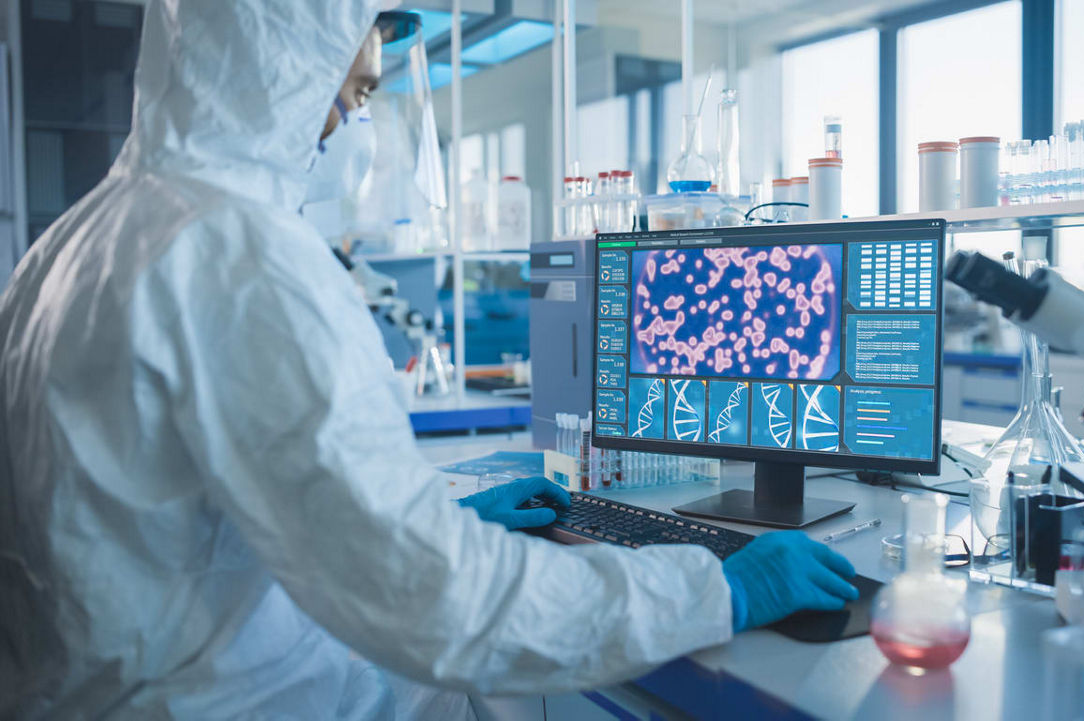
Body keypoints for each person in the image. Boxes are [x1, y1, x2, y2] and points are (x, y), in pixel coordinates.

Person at [0, 1, 860, 718]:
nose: (348, 128)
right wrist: (715, 592)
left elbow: (190, 521)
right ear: (281, 70)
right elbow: (442, 602)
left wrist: (444, 523)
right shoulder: (241, 255)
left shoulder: (73, 242)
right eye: (349, 97)